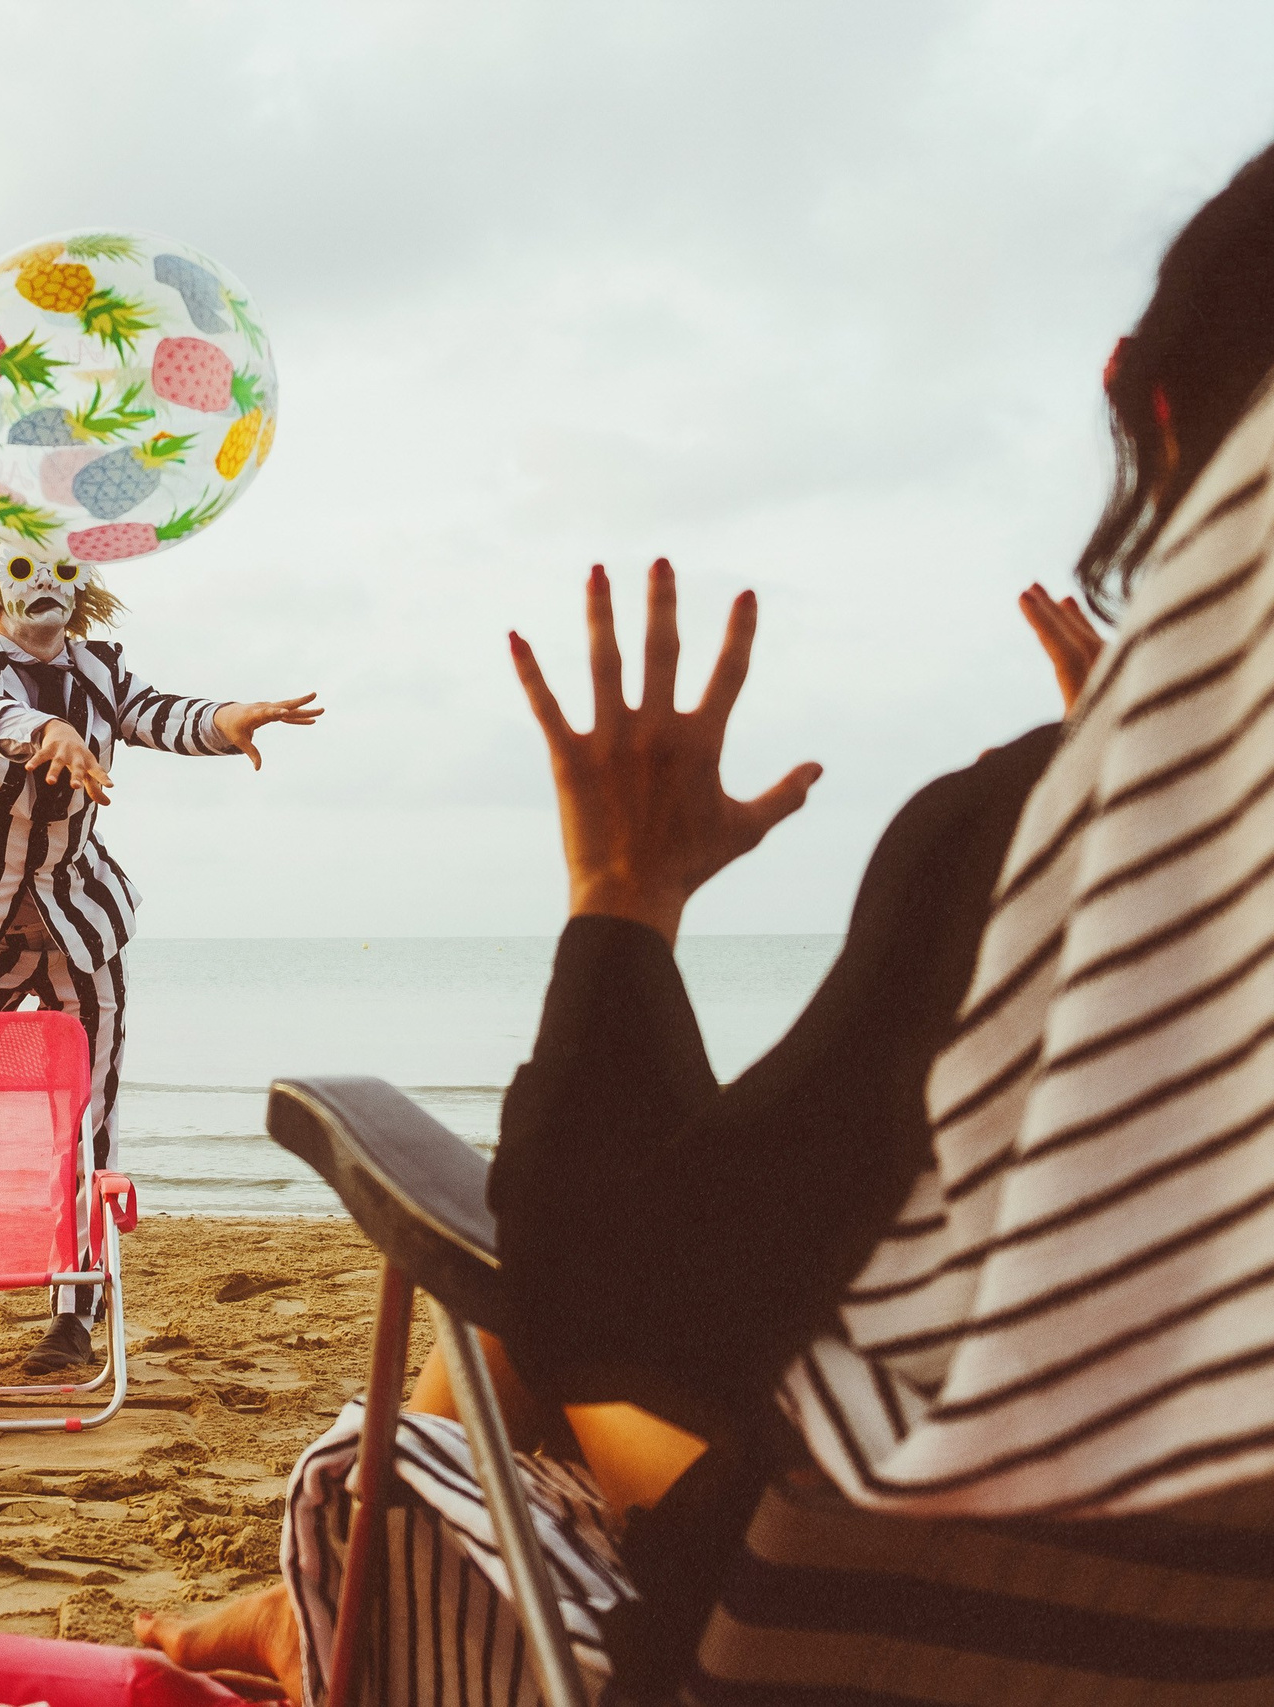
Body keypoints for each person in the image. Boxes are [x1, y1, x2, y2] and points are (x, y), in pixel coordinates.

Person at [141, 139, 1274, 1707]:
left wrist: (626, 900)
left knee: (392, 1454)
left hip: (827, 1657)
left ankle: (311, 1612)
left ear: (1153, 414)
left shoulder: (1040, 828)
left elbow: (624, 1293)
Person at [0, 537, 322, 1377]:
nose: (48, 588)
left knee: (87, 1118)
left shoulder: (101, 670)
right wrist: (46, 729)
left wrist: (230, 720)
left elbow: (162, 714)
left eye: (65, 572)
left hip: (79, 922)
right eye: (27, 571)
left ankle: (74, 1317)